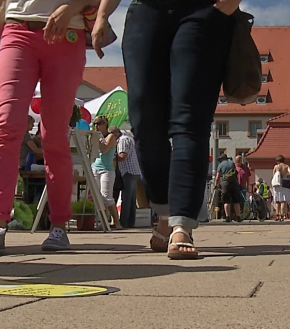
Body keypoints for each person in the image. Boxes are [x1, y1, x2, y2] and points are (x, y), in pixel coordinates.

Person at [95, 0, 239, 259]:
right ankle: (163, 213)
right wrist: (103, 14)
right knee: (144, 118)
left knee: (190, 118)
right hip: (147, 10)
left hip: (202, 10)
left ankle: (182, 223)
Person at [0, 0, 92, 254]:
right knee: (5, 126)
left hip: (67, 33)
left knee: (54, 135)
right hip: (17, 33)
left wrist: (71, 8)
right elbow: (1, 4)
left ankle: (58, 227)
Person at [92, 118, 123, 230]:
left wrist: (97, 140)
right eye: (94, 124)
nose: (96, 126)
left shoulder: (111, 137)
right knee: (98, 197)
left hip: (107, 170)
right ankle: (103, 221)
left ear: (105, 124)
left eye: (99, 124)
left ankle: (117, 222)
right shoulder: (96, 136)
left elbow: (104, 149)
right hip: (96, 168)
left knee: (107, 197)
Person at [114, 128, 142, 228]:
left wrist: (111, 157)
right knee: (131, 199)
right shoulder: (128, 138)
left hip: (128, 171)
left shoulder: (122, 140)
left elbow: (122, 156)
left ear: (115, 133)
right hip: (134, 171)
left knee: (126, 198)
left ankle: (124, 222)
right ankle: (130, 222)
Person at [215, 154, 241, 223]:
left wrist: (216, 184)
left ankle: (227, 217)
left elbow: (217, 177)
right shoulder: (232, 163)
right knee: (236, 200)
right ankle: (238, 217)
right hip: (234, 183)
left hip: (225, 183)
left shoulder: (220, 165)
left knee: (226, 200)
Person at [271, 155, 290, 221]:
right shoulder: (286, 166)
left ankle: (277, 215)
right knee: (283, 200)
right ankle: (282, 215)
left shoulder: (276, 166)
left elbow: (273, 175)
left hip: (277, 183)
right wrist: (288, 176)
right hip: (284, 183)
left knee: (277, 200)